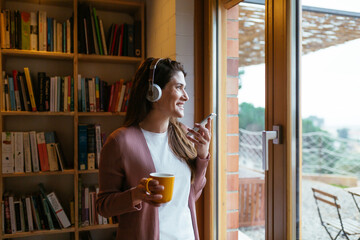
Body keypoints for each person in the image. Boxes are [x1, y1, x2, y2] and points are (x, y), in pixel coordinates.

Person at [96, 57, 212, 240]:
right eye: (178, 87)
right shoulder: (120, 141)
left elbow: (189, 196)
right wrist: (136, 195)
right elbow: (103, 206)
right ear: (153, 92)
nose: (186, 96)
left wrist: (202, 155)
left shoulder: (181, 134)